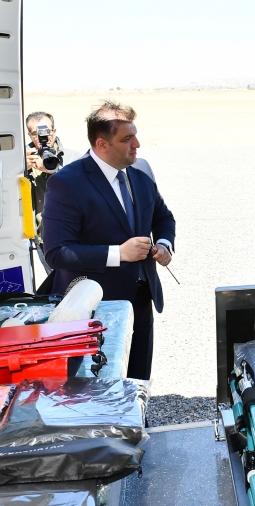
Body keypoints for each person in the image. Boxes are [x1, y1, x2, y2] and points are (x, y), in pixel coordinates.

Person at [42, 101, 176, 381]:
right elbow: (57, 252)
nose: (137, 144)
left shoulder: (141, 174)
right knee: (99, 385)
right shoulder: (66, 183)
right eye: (127, 139)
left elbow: (163, 217)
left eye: (135, 135)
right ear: (102, 144)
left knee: (138, 379)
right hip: (95, 306)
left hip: (141, 298)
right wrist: (118, 253)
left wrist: (164, 244)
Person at [24, 112, 67, 266]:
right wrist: (20, 169)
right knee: (55, 280)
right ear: (30, 135)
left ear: (54, 131)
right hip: (43, 238)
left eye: (46, 131)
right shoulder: (24, 159)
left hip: (73, 234)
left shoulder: (72, 157)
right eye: (36, 133)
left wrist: (54, 171)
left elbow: (84, 189)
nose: (43, 137)